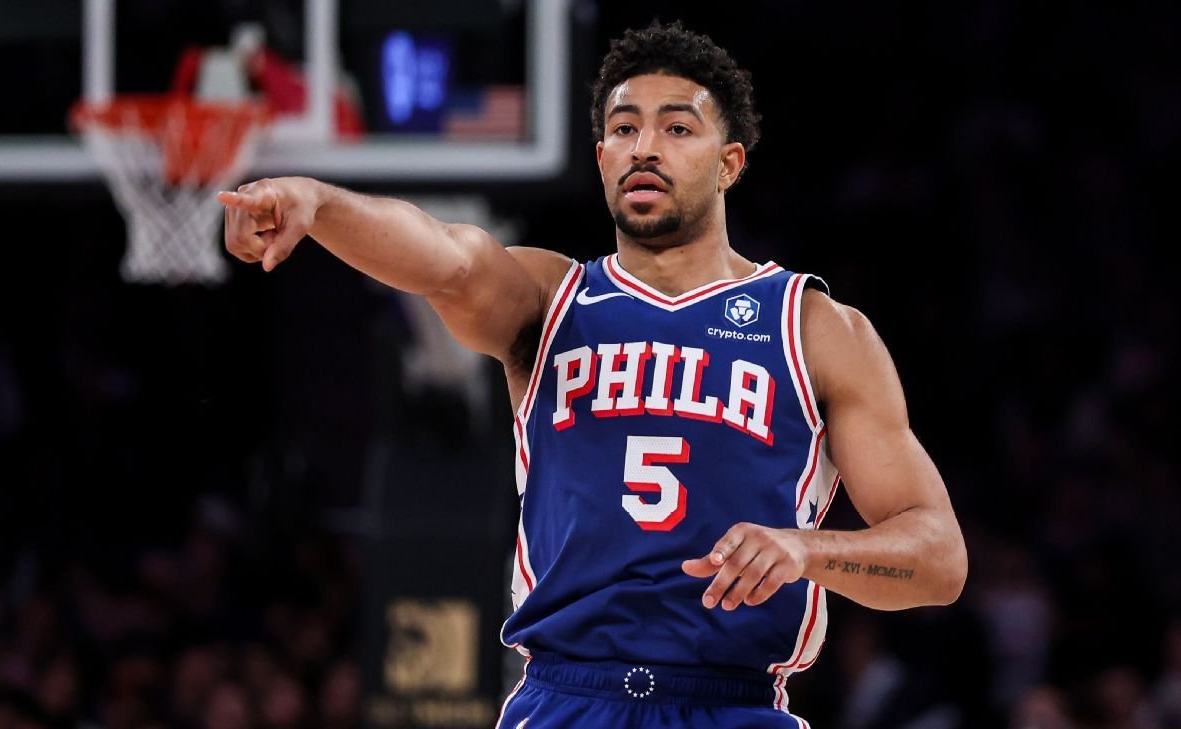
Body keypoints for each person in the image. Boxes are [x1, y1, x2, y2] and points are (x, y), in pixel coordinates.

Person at [218, 20, 967, 729]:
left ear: (729, 162)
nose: (645, 147)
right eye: (624, 128)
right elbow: (445, 256)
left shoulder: (812, 327)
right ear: (603, 156)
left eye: (677, 128)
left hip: (734, 699)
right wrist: (318, 204)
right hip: (565, 697)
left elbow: (938, 555)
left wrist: (809, 550)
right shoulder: (551, 299)